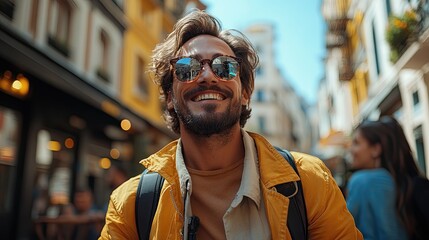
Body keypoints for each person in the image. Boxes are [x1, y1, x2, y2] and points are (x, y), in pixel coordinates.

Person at [100, 10, 362, 239]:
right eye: (186, 68)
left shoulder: (310, 182)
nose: (207, 76)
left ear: (245, 92)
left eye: (224, 67)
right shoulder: (131, 204)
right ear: (170, 96)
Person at [347, 116, 428, 239]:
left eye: (356, 143)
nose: (351, 149)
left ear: (376, 149)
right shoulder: (408, 185)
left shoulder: (364, 181)